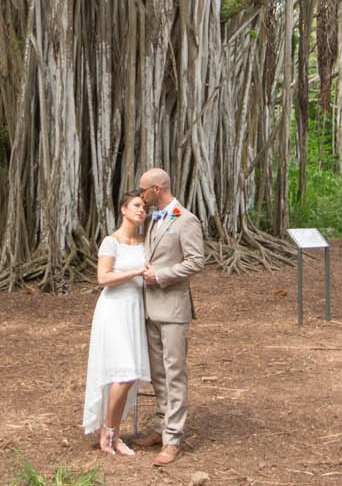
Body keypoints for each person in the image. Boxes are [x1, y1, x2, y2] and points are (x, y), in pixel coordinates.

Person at [134, 167, 205, 466]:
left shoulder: (186, 220)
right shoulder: (151, 220)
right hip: (150, 308)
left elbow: (196, 261)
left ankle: (173, 438)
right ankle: (162, 426)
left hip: (174, 309)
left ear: (158, 189)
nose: (141, 196)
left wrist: (161, 276)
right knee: (158, 373)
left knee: (174, 372)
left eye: (144, 190)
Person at [82, 190, 151, 456]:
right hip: (113, 310)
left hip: (134, 310)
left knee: (129, 377)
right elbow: (103, 278)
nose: (141, 210)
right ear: (123, 209)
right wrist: (135, 272)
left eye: (144, 207)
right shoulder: (111, 242)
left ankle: (115, 434)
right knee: (124, 375)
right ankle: (107, 433)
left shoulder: (146, 241)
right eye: (136, 205)